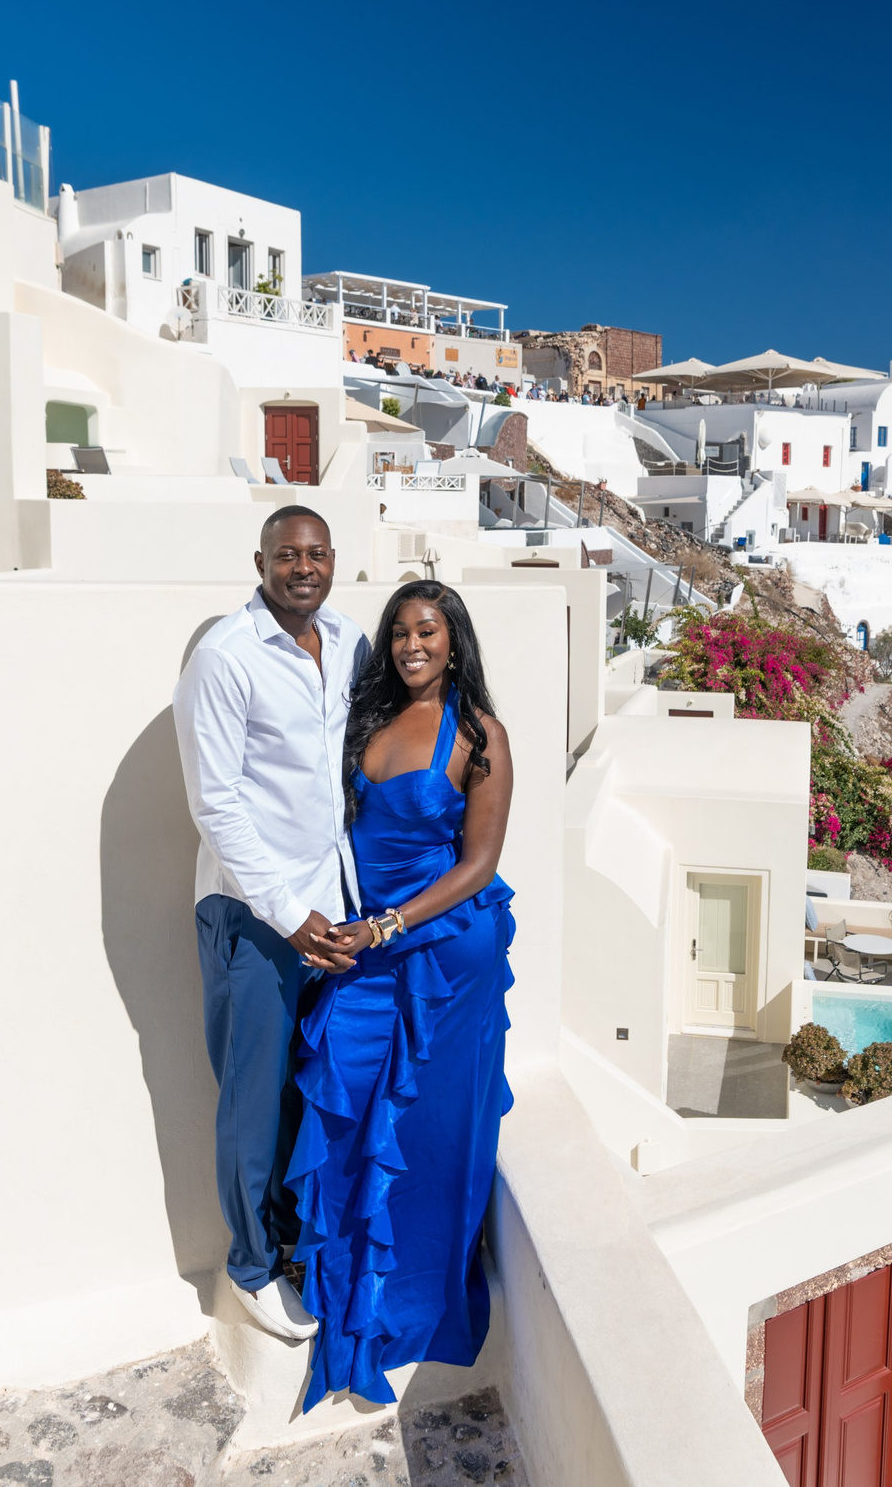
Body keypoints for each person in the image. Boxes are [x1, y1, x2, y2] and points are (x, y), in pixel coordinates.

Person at [289, 581, 516, 1410]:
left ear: (454, 638)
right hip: (364, 947)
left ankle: (413, 1313)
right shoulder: (370, 722)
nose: (411, 644)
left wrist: (387, 926)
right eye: (399, 632)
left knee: (427, 1135)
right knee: (346, 1111)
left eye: (428, 629)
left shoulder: (480, 733)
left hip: (445, 951)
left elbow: (479, 863)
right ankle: (349, 1307)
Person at [174, 507, 369, 1342]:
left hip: (332, 911)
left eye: (318, 553)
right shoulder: (225, 656)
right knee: (252, 1099)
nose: (304, 566)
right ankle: (252, 1264)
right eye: (288, 554)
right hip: (256, 914)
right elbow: (216, 803)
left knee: (309, 1084)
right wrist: (290, 914)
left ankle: (299, 1241)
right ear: (260, 561)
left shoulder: (352, 642)